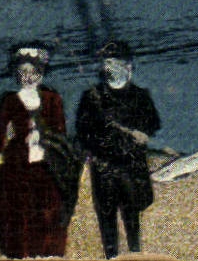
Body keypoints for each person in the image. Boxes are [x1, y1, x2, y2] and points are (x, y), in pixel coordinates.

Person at [76, 41, 162, 260]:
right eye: (106, 63)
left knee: (132, 212)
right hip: (104, 167)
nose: (109, 67)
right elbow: (83, 131)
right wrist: (100, 147)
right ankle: (111, 255)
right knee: (106, 215)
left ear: (128, 66)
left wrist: (143, 132)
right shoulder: (91, 96)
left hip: (132, 165)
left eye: (115, 63)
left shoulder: (141, 95)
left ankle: (135, 252)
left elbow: (153, 123)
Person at [0, 44, 72, 259]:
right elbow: (0, 134)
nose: (28, 77)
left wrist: (41, 136)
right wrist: (0, 152)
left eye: (33, 72)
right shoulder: (9, 100)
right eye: (23, 72)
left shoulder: (52, 99)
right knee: (21, 211)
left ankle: (49, 252)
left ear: (41, 73)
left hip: (47, 163)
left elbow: (61, 132)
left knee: (49, 209)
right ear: (17, 74)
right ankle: (23, 253)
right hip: (18, 165)